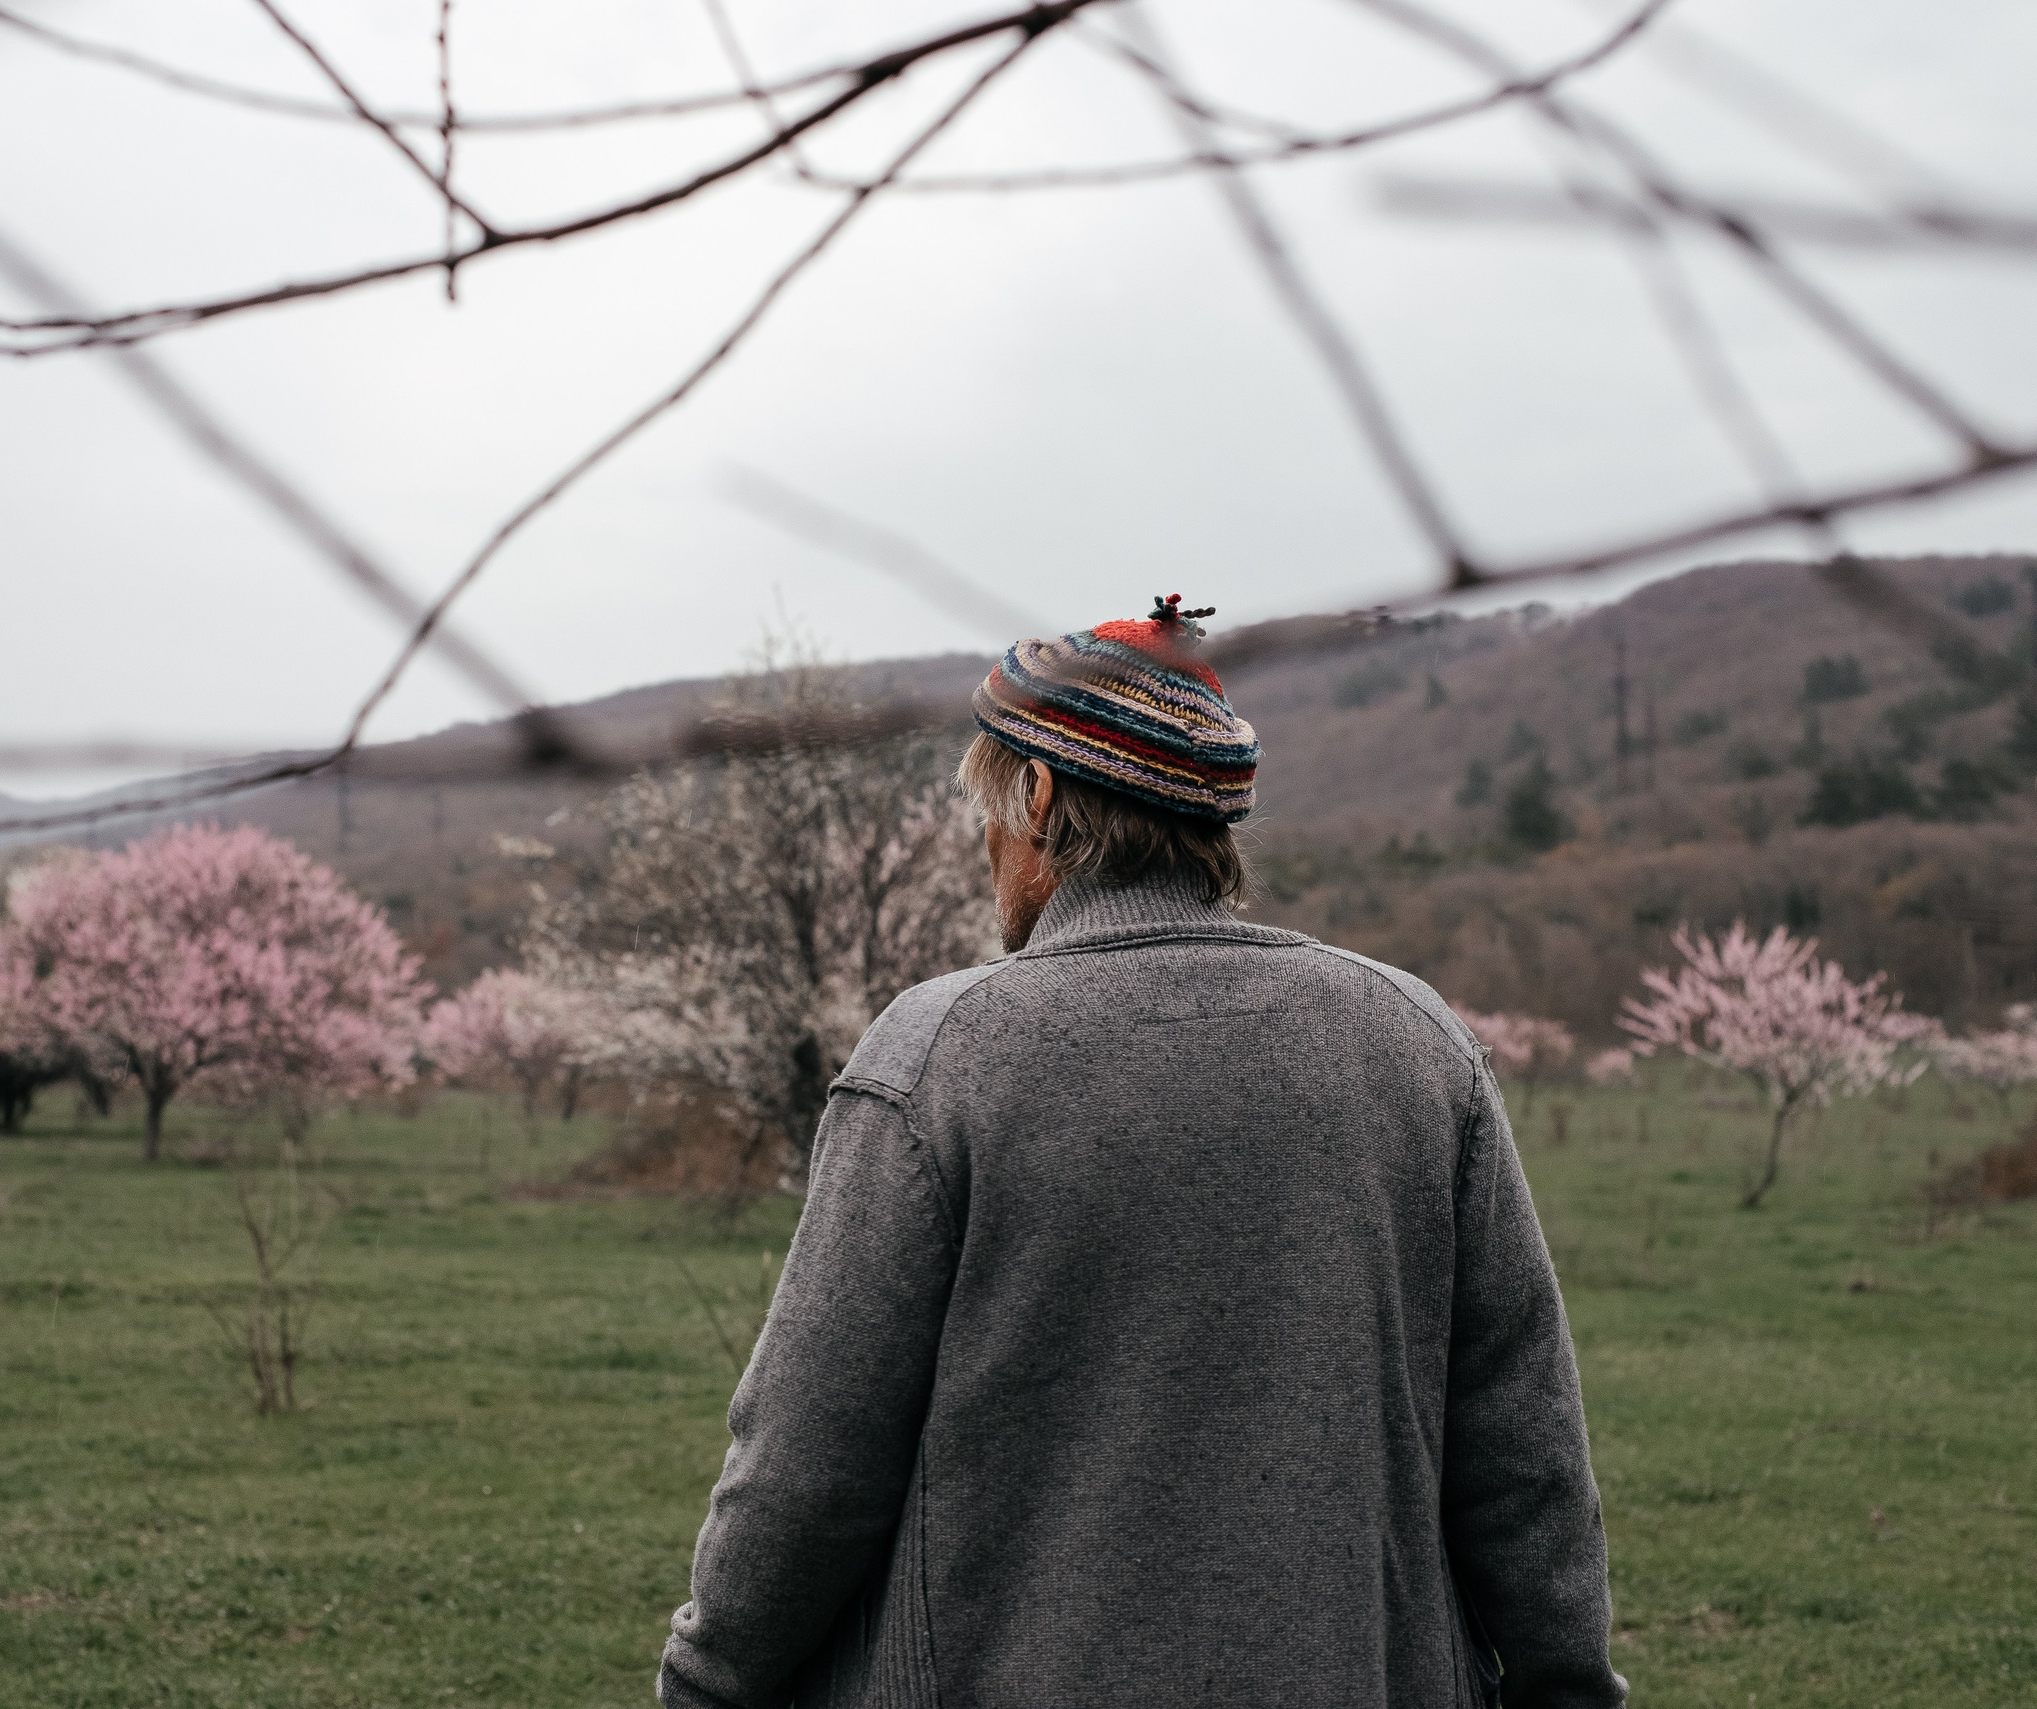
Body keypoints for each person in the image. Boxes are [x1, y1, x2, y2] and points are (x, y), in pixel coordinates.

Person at [656, 598, 1623, 1708]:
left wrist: (706, 1679)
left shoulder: (939, 1056)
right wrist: (1565, 1684)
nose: (986, 847)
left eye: (990, 808)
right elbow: (1524, 1455)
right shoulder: (1413, 1039)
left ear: (1040, 796)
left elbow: (805, 1471)